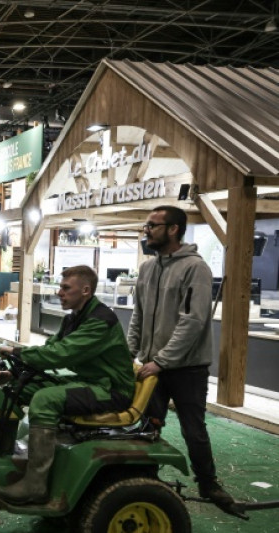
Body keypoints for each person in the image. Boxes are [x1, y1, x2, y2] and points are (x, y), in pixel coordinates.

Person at [0, 265, 134, 505]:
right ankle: (4, 455)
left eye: (66, 288)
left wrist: (18, 352)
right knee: (20, 387)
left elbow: (61, 354)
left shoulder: (100, 321)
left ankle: (35, 484)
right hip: (91, 382)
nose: (59, 292)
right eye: (60, 287)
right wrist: (14, 371)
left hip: (111, 389)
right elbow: (50, 349)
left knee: (45, 399)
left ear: (85, 290)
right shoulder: (74, 318)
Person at [127, 205, 235, 510]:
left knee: (193, 429)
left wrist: (162, 360)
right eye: (147, 225)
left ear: (173, 229)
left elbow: (194, 320)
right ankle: (144, 481)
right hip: (151, 364)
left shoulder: (195, 268)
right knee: (147, 425)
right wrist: (129, 353)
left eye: (153, 226)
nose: (146, 231)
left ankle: (209, 484)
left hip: (187, 368)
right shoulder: (148, 268)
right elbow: (139, 315)